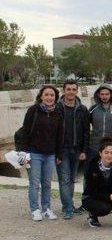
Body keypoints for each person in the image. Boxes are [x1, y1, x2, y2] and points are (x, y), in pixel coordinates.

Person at [17, 85, 64, 221]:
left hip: (50, 154)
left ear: (55, 97)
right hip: (34, 152)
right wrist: (23, 152)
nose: (49, 97)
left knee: (47, 183)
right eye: (47, 95)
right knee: (34, 183)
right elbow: (25, 131)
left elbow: (59, 135)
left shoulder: (58, 112)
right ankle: (35, 209)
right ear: (41, 96)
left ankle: (46, 209)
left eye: (52, 95)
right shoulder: (33, 110)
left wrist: (59, 154)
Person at [80, 84, 112, 214]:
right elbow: (85, 129)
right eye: (102, 94)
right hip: (94, 147)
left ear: (111, 95)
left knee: (111, 177)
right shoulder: (93, 109)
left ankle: (109, 201)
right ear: (98, 95)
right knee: (89, 175)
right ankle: (87, 200)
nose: (105, 97)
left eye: (107, 94)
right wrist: (84, 148)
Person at [56, 79, 89, 219]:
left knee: (71, 180)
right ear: (64, 90)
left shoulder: (82, 109)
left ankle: (67, 205)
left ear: (77, 91)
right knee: (64, 179)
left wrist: (84, 151)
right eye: (68, 89)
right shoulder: (57, 108)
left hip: (76, 150)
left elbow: (86, 131)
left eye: (73, 89)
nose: (71, 92)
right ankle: (69, 208)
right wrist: (55, 152)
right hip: (61, 149)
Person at [82, 139, 112, 228]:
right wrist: (108, 196)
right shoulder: (92, 166)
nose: (109, 155)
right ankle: (93, 216)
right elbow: (91, 191)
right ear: (100, 153)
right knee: (105, 209)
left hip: (108, 195)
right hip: (91, 197)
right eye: (106, 152)